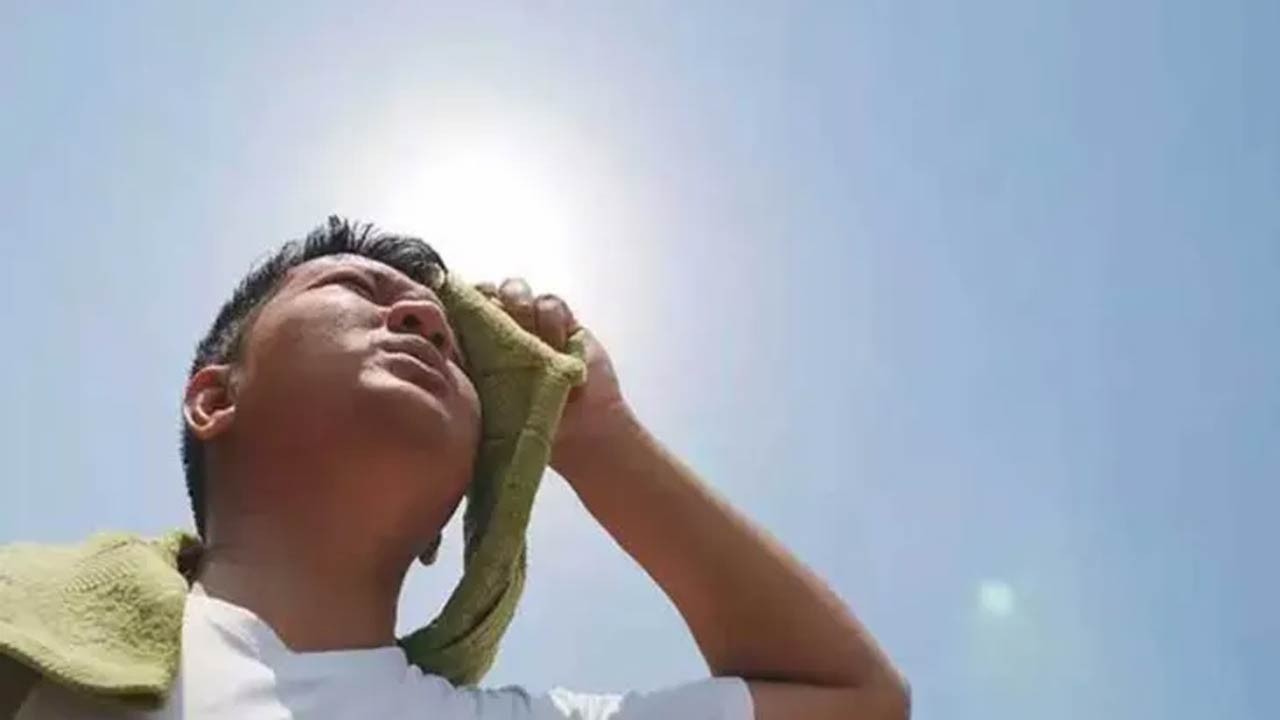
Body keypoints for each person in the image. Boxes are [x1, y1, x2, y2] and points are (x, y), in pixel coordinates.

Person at [13, 218, 908, 719]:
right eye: (355, 290)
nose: (425, 322)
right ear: (214, 399)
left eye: (450, 341)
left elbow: (856, 701)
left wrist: (598, 435)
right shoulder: (32, 630)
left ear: (445, 526)